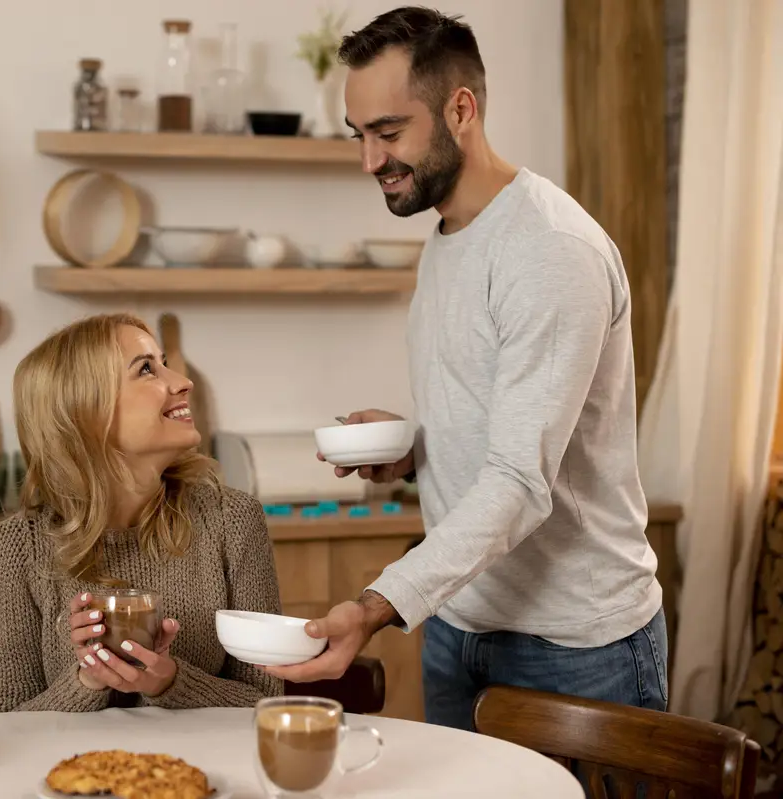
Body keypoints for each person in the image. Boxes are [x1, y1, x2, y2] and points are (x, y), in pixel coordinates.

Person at [264, 7, 668, 730]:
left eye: (389, 133)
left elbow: (518, 481)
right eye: (360, 136)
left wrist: (373, 607)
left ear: (461, 108)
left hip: (574, 643)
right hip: (461, 623)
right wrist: (415, 450)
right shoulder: (449, 237)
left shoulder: (547, 250)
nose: (369, 161)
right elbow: (507, 423)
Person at [0, 312, 283, 712]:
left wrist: (170, 682)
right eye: (146, 369)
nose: (183, 382)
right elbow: (4, 725)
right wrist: (88, 680)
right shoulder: (18, 546)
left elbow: (267, 702)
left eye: (164, 363)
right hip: (69, 772)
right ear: (88, 413)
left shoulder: (232, 519)